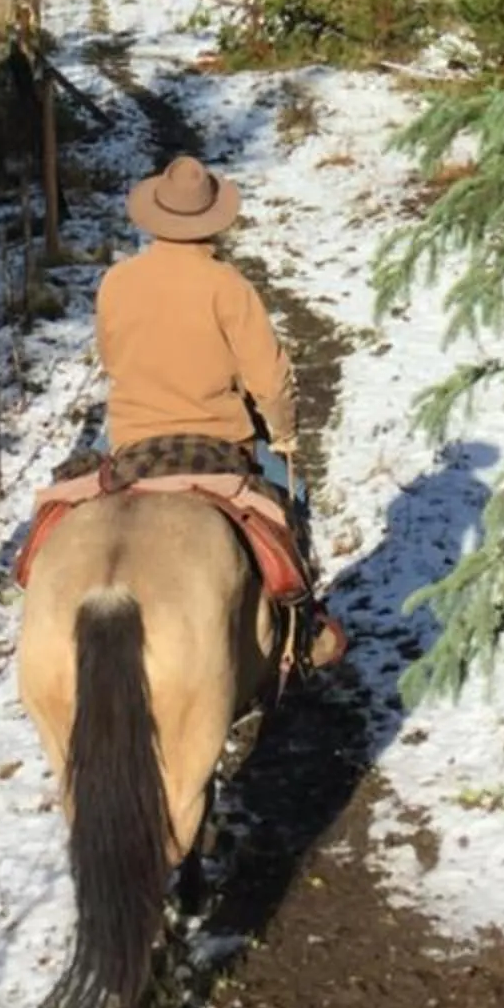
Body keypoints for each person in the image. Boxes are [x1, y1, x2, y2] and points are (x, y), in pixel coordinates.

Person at [96, 151, 347, 666]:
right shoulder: (228, 286)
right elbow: (270, 379)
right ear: (213, 221)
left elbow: (110, 355)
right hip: (219, 440)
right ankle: (301, 627)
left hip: (130, 438)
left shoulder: (115, 282)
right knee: (291, 498)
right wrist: (283, 432)